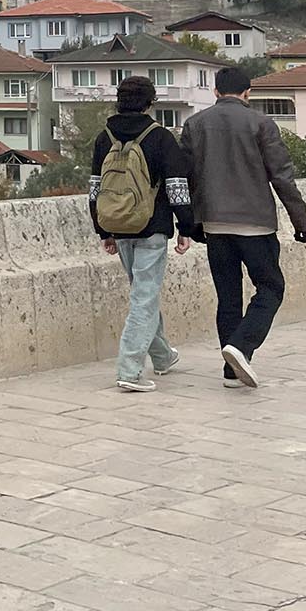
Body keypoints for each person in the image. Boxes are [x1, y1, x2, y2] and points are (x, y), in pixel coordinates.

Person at [182, 66, 306, 390]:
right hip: (255, 224)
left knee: (228, 297)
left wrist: (191, 221)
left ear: (215, 92)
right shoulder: (262, 123)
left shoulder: (195, 124)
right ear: (248, 92)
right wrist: (301, 221)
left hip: (214, 223)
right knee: (270, 288)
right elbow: (281, 177)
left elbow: (187, 177)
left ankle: (232, 372)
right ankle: (242, 346)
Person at [89, 76, 198, 393]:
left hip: (118, 228)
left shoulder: (103, 137)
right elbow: (177, 185)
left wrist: (103, 230)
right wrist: (186, 227)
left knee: (143, 295)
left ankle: (163, 357)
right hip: (152, 227)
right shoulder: (159, 137)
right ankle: (129, 369)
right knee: (144, 299)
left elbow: (96, 187)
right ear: (151, 103)